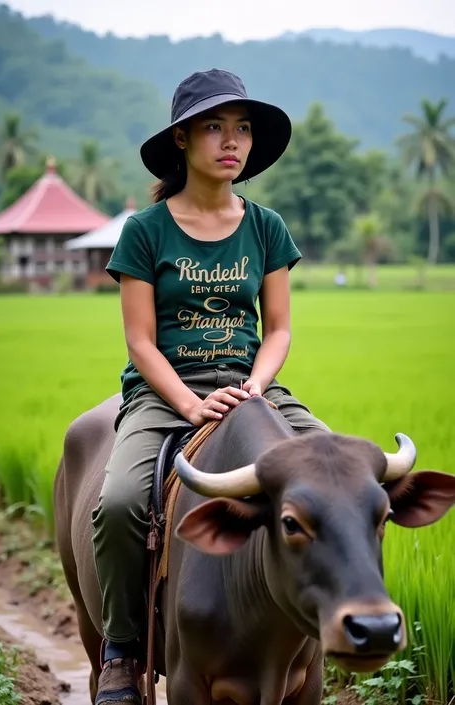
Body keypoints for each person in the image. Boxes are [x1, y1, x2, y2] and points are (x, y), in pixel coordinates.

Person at [91, 68, 330, 705]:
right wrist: (194, 405)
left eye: (243, 129)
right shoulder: (145, 231)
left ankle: (336, 622)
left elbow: (277, 329)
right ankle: (120, 649)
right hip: (166, 392)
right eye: (215, 127)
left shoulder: (265, 226)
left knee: (343, 475)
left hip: (254, 389)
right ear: (181, 139)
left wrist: (252, 388)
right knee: (117, 502)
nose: (233, 142)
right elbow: (141, 342)